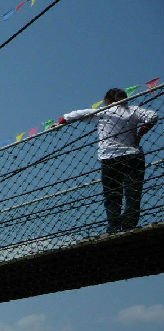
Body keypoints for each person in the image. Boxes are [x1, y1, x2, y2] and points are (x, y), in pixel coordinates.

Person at [59, 88, 158, 233]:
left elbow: (75, 114)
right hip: (132, 156)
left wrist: (61, 122)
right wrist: (140, 133)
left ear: (107, 101)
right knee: (133, 193)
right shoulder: (132, 111)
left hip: (109, 159)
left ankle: (114, 228)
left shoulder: (102, 113)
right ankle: (129, 225)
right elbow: (153, 116)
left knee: (112, 196)